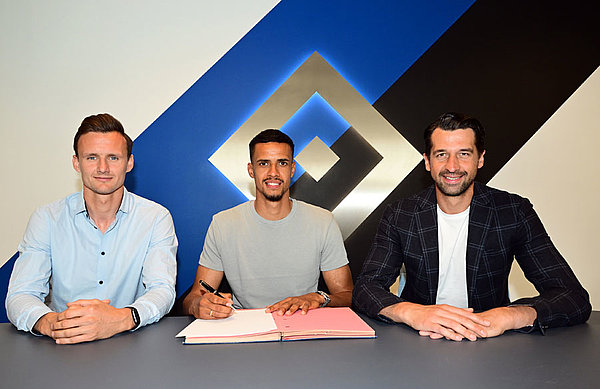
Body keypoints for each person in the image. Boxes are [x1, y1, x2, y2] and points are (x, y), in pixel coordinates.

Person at [353, 112, 591, 341]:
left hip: (491, 340)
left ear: (481, 158)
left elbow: (573, 297)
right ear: (427, 161)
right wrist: (412, 313)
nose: (452, 166)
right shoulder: (400, 214)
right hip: (419, 338)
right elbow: (366, 288)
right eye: (441, 154)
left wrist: (511, 315)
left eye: (464, 154)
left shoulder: (513, 211)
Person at [6, 113, 177, 344]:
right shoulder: (46, 218)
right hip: (62, 346)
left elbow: (162, 289)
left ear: (129, 163)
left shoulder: (156, 218)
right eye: (92, 157)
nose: (103, 168)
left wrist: (121, 319)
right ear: (76, 163)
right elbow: (20, 295)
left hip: (131, 344)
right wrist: (54, 324)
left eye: (113, 158)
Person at [183, 129, 353, 319]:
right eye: (264, 163)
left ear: (292, 169)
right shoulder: (222, 224)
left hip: (303, 330)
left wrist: (317, 298)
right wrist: (199, 304)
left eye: (282, 163)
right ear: (251, 170)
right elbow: (194, 298)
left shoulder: (322, 221)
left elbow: (346, 296)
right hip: (244, 330)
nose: (273, 173)